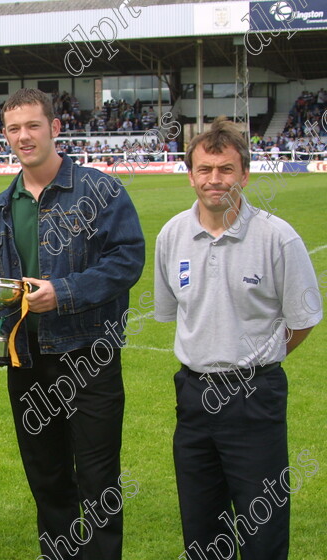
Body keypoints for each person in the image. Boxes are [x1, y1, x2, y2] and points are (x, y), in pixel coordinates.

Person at [0, 88, 145, 559]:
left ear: (55, 127)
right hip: (27, 361)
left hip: (89, 355)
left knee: (98, 478)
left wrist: (64, 293)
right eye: (14, 129)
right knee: (47, 477)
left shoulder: (99, 189)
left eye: (33, 125)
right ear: (5, 136)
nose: (23, 136)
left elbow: (127, 259)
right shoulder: (1, 206)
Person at [154, 117, 322, 559]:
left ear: (244, 174)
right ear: (190, 174)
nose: (215, 180)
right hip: (193, 396)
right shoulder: (172, 235)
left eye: (225, 169)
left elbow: (302, 319)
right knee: (201, 527)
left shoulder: (277, 237)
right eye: (205, 170)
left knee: (261, 531)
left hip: (254, 396)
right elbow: (173, 312)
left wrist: (259, 360)